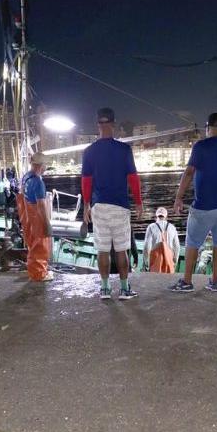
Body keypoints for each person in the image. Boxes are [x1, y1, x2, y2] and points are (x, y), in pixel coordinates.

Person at [171, 112, 217, 292]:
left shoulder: (200, 147)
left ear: (208, 128)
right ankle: (214, 282)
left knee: (193, 243)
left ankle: (187, 282)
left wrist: (179, 197)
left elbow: (189, 173)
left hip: (203, 206)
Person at [81, 107, 144, 300]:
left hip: (99, 205)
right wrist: (139, 203)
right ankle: (124, 289)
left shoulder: (89, 151)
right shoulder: (124, 149)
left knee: (102, 249)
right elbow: (133, 178)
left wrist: (86, 205)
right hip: (120, 205)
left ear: (98, 124)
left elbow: (86, 180)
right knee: (121, 249)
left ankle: (105, 288)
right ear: (114, 124)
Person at [18, 152, 54, 281]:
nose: (46, 168)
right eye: (45, 165)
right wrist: (47, 225)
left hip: (27, 217)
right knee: (40, 247)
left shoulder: (26, 177)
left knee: (32, 245)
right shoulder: (38, 182)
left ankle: (34, 272)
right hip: (37, 218)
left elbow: (23, 196)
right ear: (41, 165)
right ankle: (39, 274)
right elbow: (41, 207)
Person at [142, 207, 180, 273]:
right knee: (168, 281)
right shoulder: (172, 227)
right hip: (169, 260)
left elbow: (147, 246)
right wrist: (175, 261)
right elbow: (177, 246)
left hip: (155, 261)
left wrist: (146, 262)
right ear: (166, 217)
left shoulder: (151, 227)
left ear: (156, 216)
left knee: (155, 281)